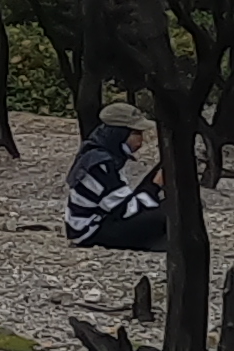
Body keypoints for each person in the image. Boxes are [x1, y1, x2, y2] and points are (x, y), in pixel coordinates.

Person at [66, 104, 167, 248]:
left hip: (94, 223)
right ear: (120, 134)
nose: (141, 140)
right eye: (136, 133)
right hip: (90, 231)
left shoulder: (100, 156)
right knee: (165, 215)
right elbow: (126, 209)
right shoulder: (101, 164)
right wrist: (155, 185)